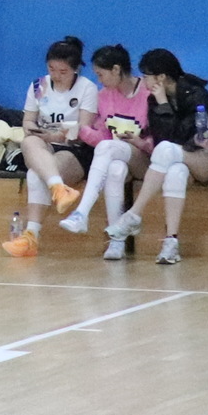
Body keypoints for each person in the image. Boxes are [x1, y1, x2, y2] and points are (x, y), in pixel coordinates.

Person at [125, 47, 208, 267]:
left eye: (146, 76)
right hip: (180, 160)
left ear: (161, 77)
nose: (143, 81)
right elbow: (163, 138)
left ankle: (134, 214)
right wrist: (161, 103)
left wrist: (164, 105)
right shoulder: (155, 100)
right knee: (175, 172)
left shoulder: (196, 95)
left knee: (166, 150)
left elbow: (182, 137)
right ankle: (171, 242)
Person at [55, 45, 152, 259]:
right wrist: (81, 131)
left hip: (145, 159)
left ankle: (82, 212)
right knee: (115, 170)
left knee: (108, 149)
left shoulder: (147, 93)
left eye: (101, 74)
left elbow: (161, 136)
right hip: (117, 155)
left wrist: (140, 142)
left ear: (116, 70)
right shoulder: (105, 97)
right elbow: (103, 137)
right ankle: (116, 241)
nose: (99, 80)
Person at [3, 38, 94, 259]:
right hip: (44, 144)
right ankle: (59, 189)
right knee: (28, 142)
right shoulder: (38, 86)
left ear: (75, 69)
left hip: (73, 148)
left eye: (63, 72)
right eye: (51, 69)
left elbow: (84, 130)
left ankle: (31, 236)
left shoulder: (87, 88)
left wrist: (58, 135)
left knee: (35, 175)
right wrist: (34, 130)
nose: (56, 76)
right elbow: (28, 121)